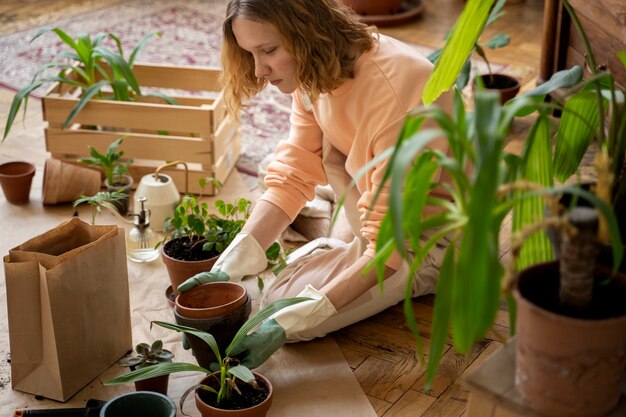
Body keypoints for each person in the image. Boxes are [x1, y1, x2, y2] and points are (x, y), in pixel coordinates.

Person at [178, 0, 452, 368]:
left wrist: (287, 322)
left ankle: (349, 248)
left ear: (306, 31)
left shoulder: (401, 88)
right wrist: (229, 264)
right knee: (273, 168)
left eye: (269, 51)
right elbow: (294, 174)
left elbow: (389, 248)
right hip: (367, 194)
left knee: (287, 316)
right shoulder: (315, 68)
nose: (259, 70)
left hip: (426, 239)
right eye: (250, 54)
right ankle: (338, 241)